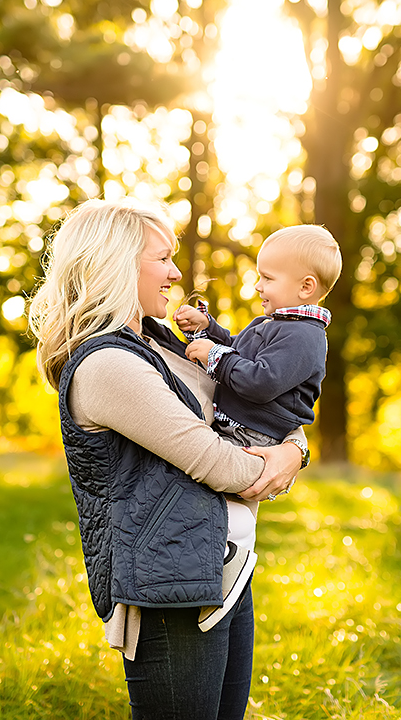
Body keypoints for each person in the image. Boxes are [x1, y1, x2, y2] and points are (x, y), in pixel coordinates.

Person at [27, 198, 306, 720]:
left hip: (220, 567)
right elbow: (217, 463)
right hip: (169, 589)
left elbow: (258, 403)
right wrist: (283, 463)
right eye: (162, 259)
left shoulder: (159, 342)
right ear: (115, 261)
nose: (176, 274)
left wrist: (294, 446)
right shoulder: (108, 364)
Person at [173, 224, 340, 630]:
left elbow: (260, 381)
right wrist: (208, 330)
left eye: (267, 277)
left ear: (305, 287)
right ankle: (216, 564)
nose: (257, 285)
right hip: (236, 424)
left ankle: (227, 567)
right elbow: (238, 349)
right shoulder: (274, 324)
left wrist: (214, 356)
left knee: (227, 505)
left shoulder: (305, 336)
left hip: (253, 434)